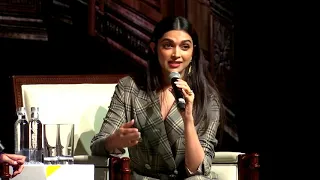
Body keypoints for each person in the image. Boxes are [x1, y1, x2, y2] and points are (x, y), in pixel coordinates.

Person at [91, 16, 223, 180]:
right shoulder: (130, 88)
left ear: (193, 51)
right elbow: (96, 146)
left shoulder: (207, 98)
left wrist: (188, 118)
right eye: (168, 45)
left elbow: (197, 170)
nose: (176, 54)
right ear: (154, 47)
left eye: (185, 47)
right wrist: (115, 141)